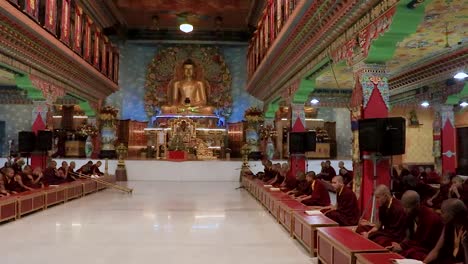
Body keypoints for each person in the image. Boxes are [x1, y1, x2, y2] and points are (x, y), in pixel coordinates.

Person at [388, 190, 443, 261]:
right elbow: (409, 236)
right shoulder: (410, 215)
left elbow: (423, 242)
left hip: (429, 249)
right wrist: (401, 245)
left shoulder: (430, 218)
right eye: (403, 207)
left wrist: (402, 247)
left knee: (410, 254)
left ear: (417, 205)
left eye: (407, 207)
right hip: (416, 246)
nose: (405, 210)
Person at [424, 199, 468, 264]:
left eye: (443, 212)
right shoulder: (448, 225)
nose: (440, 215)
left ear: (453, 214)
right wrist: (423, 263)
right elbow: (436, 250)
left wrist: (465, 245)